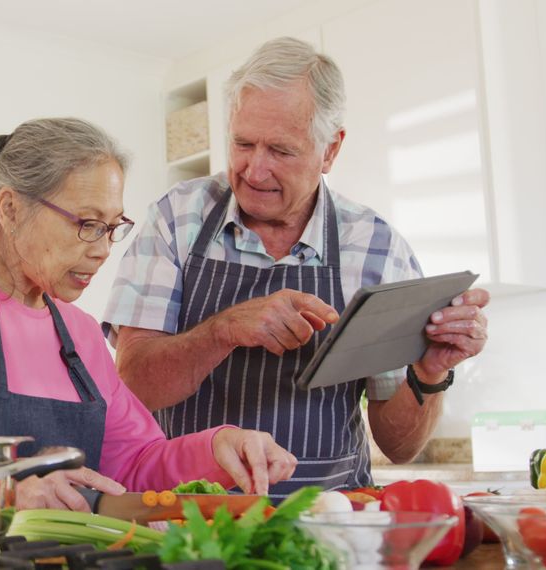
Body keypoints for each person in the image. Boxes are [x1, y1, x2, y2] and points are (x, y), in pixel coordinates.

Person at [0, 117, 299, 511]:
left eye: (112, 227)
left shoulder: (80, 335)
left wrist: (218, 447)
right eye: (86, 224)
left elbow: (135, 463)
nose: (103, 250)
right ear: (11, 209)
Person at [103, 37, 490, 499]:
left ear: (331, 150)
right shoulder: (176, 219)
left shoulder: (376, 248)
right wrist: (223, 330)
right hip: (188, 518)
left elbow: (398, 445)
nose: (254, 170)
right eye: (243, 143)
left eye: (281, 151)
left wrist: (430, 371)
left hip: (333, 520)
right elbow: (135, 384)